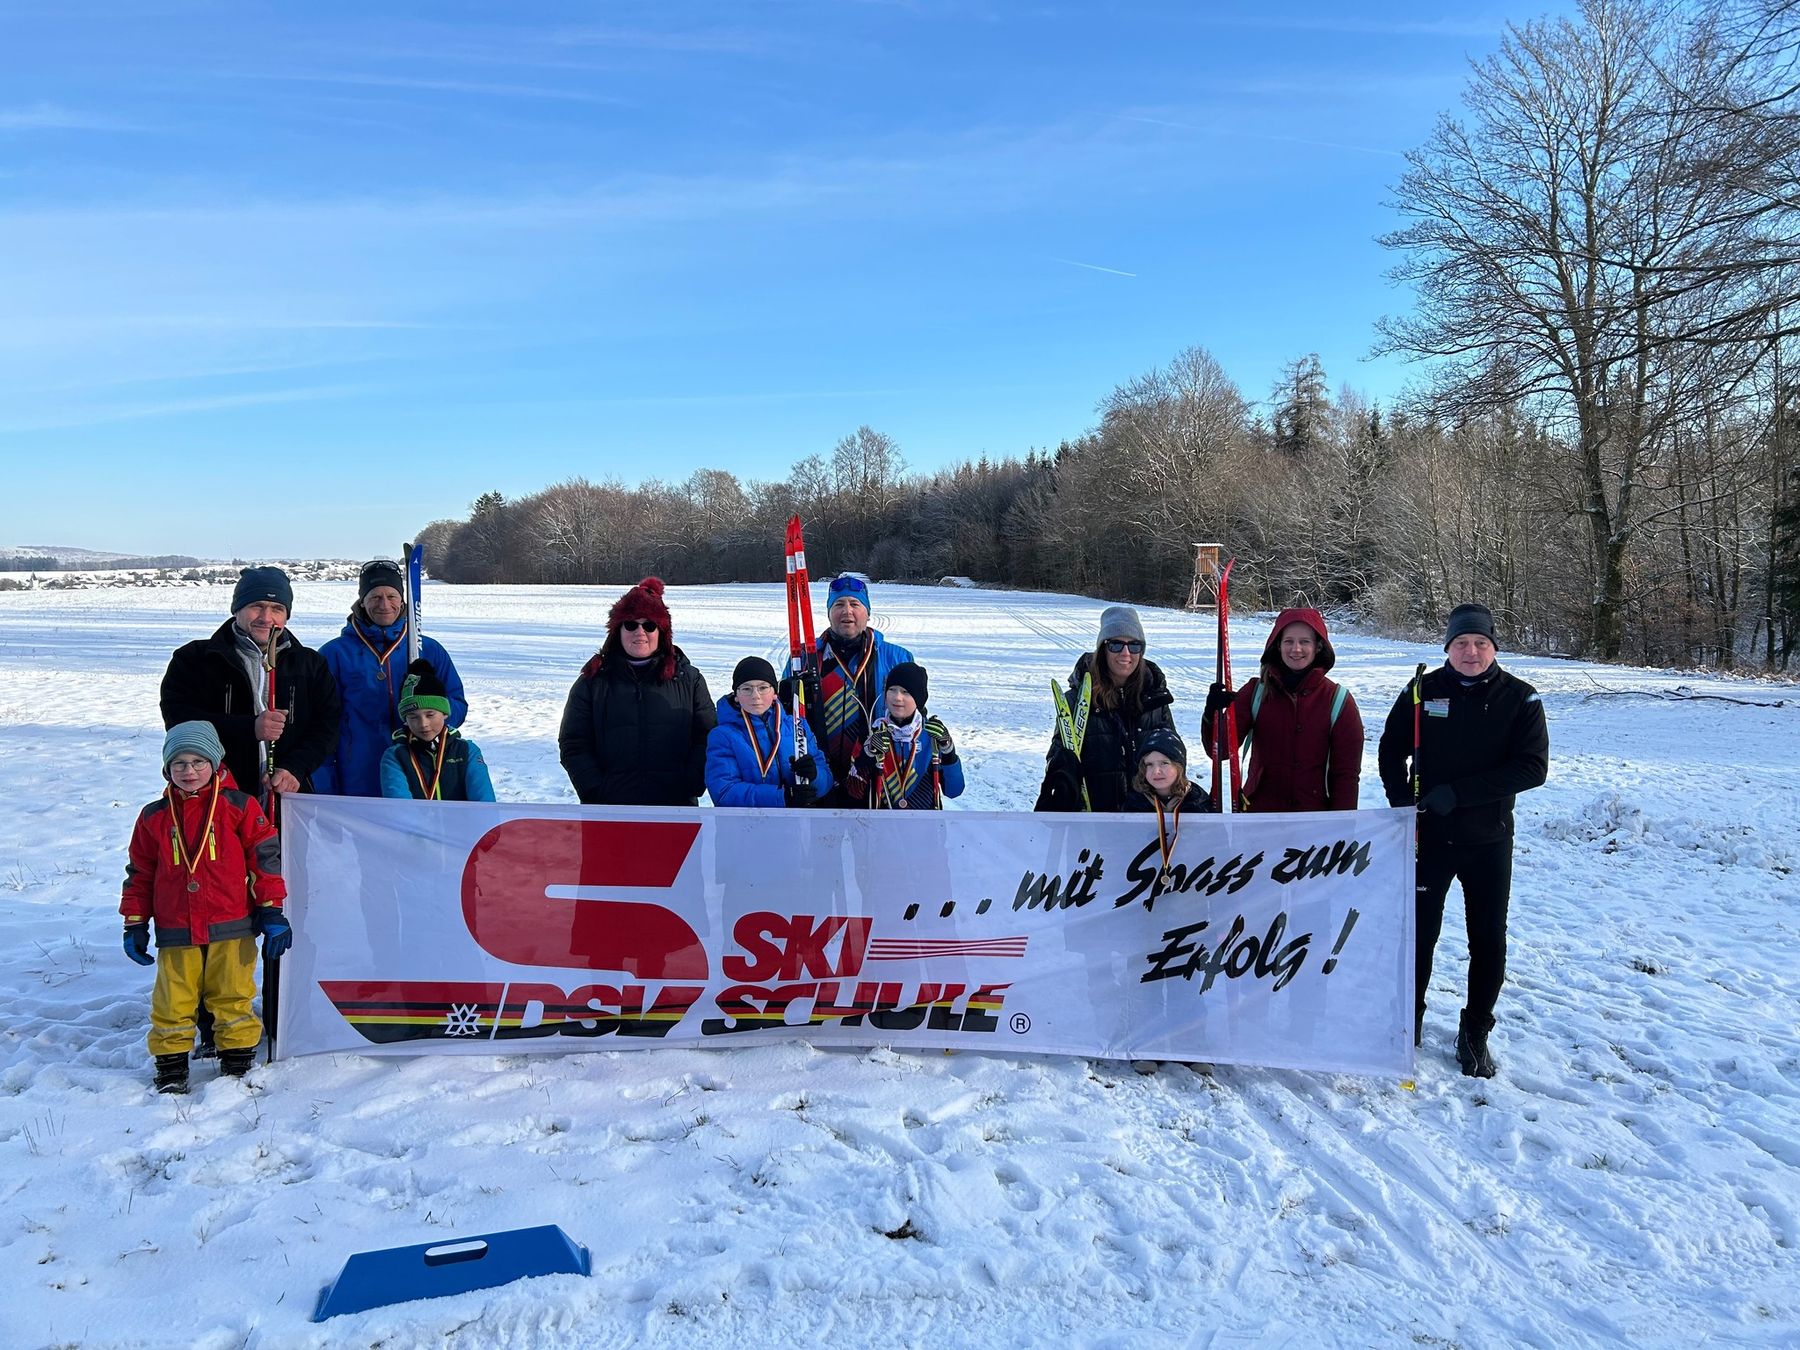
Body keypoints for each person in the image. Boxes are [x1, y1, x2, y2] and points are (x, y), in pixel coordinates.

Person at [1378, 603, 1549, 1078]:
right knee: (1418, 935)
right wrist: (1401, 805)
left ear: (1493, 647)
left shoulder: (1522, 698)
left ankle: (1475, 1031)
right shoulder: (1422, 691)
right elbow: (1391, 749)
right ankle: (1406, 1019)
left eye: (1480, 643)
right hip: (1428, 837)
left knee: (1488, 939)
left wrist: (1460, 793)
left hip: (1488, 840)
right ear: (1447, 648)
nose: (1470, 652)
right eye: (1461, 643)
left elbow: (1532, 768)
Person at [120, 721, 292, 1094]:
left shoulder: (239, 806)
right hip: (176, 925)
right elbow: (140, 872)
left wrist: (272, 909)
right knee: (173, 999)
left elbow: (265, 858)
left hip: (232, 921)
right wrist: (135, 922)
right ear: (167, 769)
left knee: (233, 993)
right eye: (179, 763)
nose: (189, 771)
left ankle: (237, 1060)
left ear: (215, 764)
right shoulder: (153, 817)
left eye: (199, 761)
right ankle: (170, 1065)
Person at [159, 565, 342, 803]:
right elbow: (180, 720)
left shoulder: (310, 664)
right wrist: (249, 728)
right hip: (217, 798)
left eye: (277, 609)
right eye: (257, 606)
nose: (266, 618)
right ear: (237, 609)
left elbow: (327, 726)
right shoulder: (194, 659)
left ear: (286, 615)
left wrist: (296, 767)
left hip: (287, 798)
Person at [316, 558, 468, 797]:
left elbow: (457, 704)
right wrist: (325, 783)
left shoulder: (428, 650)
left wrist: (431, 717)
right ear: (362, 602)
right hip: (358, 777)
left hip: (419, 772)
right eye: (375, 596)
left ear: (402, 600)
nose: (384, 604)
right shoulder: (334, 654)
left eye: (392, 596)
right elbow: (319, 723)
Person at [558, 577, 715, 806]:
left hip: (677, 811)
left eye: (649, 625)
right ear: (618, 631)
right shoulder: (592, 682)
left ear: (661, 632)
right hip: (609, 812)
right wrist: (595, 789)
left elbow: (708, 736)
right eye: (631, 624)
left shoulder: (689, 680)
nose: (640, 632)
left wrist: (689, 782)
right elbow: (573, 742)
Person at [1200, 608, 1364, 812]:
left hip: (1315, 820)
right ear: (1277, 645)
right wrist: (1212, 715)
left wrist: (1342, 826)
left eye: (1305, 641)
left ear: (1318, 646)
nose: (1296, 649)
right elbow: (1220, 750)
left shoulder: (1338, 700)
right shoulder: (1255, 692)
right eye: (1289, 641)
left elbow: (1346, 774)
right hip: (1260, 816)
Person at [1035, 605, 1175, 812]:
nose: (1126, 653)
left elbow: (1172, 754)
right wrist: (1063, 775)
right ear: (1102, 649)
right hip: (1095, 818)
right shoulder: (1076, 700)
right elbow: (1060, 750)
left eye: (1134, 645)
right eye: (1116, 645)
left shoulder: (1155, 698)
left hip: (1146, 817)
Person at [794, 573, 916, 807]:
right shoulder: (804, 659)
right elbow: (785, 716)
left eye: (855, 604)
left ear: (868, 612)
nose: (847, 611)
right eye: (838, 604)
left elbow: (913, 719)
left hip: (877, 777)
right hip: (819, 776)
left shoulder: (897, 658)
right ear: (829, 613)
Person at [705, 656, 833, 807]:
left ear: (774, 693)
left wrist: (815, 776)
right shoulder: (723, 735)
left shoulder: (797, 725)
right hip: (747, 826)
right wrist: (781, 797)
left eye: (763, 688)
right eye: (746, 689)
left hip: (797, 823)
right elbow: (724, 792)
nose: (755, 696)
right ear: (736, 695)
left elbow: (827, 779)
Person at [380, 660, 495, 802]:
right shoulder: (396, 756)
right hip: (415, 825)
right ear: (405, 719)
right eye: (413, 717)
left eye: (430, 715)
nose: (423, 724)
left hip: (462, 824)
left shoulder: (467, 751)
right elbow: (399, 808)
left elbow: (484, 803)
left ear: (444, 713)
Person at [858, 662, 964, 809]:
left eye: (905, 692)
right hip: (881, 826)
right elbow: (853, 791)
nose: (897, 697)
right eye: (892, 690)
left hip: (926, 827)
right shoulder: (873, 732)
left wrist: (948, 752)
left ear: (919, 698)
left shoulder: (932, 736)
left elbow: (954, 791)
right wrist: (867, 755)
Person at [1124, 728, 1214, 817]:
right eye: (1149, 764)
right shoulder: (1135, 803)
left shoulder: (1197, 801)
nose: (1156, 771)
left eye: (1164, 763)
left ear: (1179, 767)